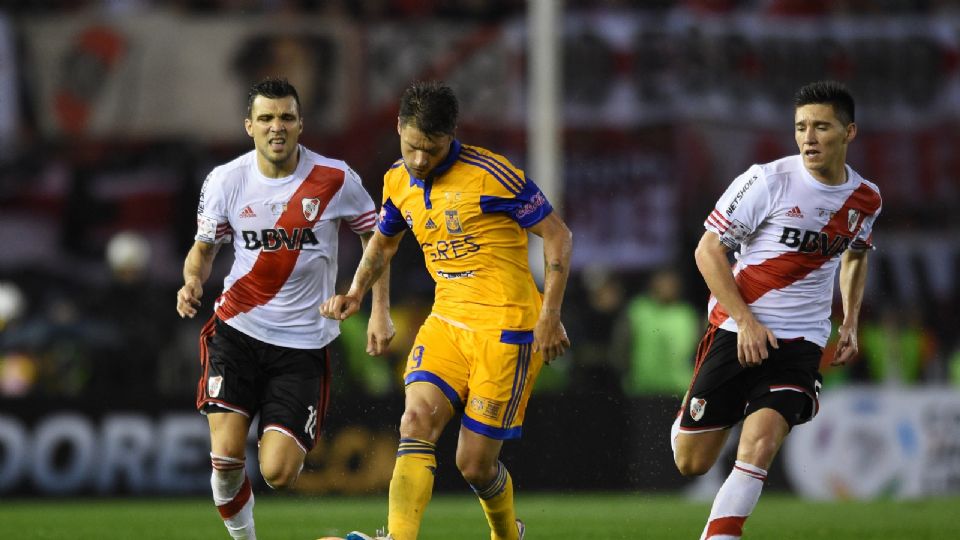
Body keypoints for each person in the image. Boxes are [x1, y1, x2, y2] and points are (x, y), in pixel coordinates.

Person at [320, 80, 572, 540]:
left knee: (474, 465)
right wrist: (358, 292)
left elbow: (558, 235)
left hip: (506, 332)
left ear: (451, 136)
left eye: (432, 149)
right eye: (413, 146)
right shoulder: (398, 179)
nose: (420, 159)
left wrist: (549, 314)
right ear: (399, 128)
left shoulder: (492, 175)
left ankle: (507, 534)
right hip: (446, 324)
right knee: (414, 421)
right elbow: (384, 241)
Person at [175, 77, 393, 540]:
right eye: (267, 118)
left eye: (287, 118)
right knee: (227, 456)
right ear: (249, 126)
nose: (278, 127)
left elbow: (378, 241)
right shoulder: (226, 181)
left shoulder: (335, 179)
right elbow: (203, 249)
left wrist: (378, 309)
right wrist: (192, 279)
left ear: (300, 125)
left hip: (302, 347)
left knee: (277, 472)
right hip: (237, 331)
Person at [670, 80, 882, 539]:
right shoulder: (767, 181)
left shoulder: (866, 199)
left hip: (803, 341)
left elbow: (856, 254)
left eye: (821, 127)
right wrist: (745, 321)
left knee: (760, 442)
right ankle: (692, 412)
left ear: (849, 133)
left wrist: (848, 322)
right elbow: (708, 251)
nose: (808, 137)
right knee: (692, 462)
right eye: (801, 127)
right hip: (736, 329)